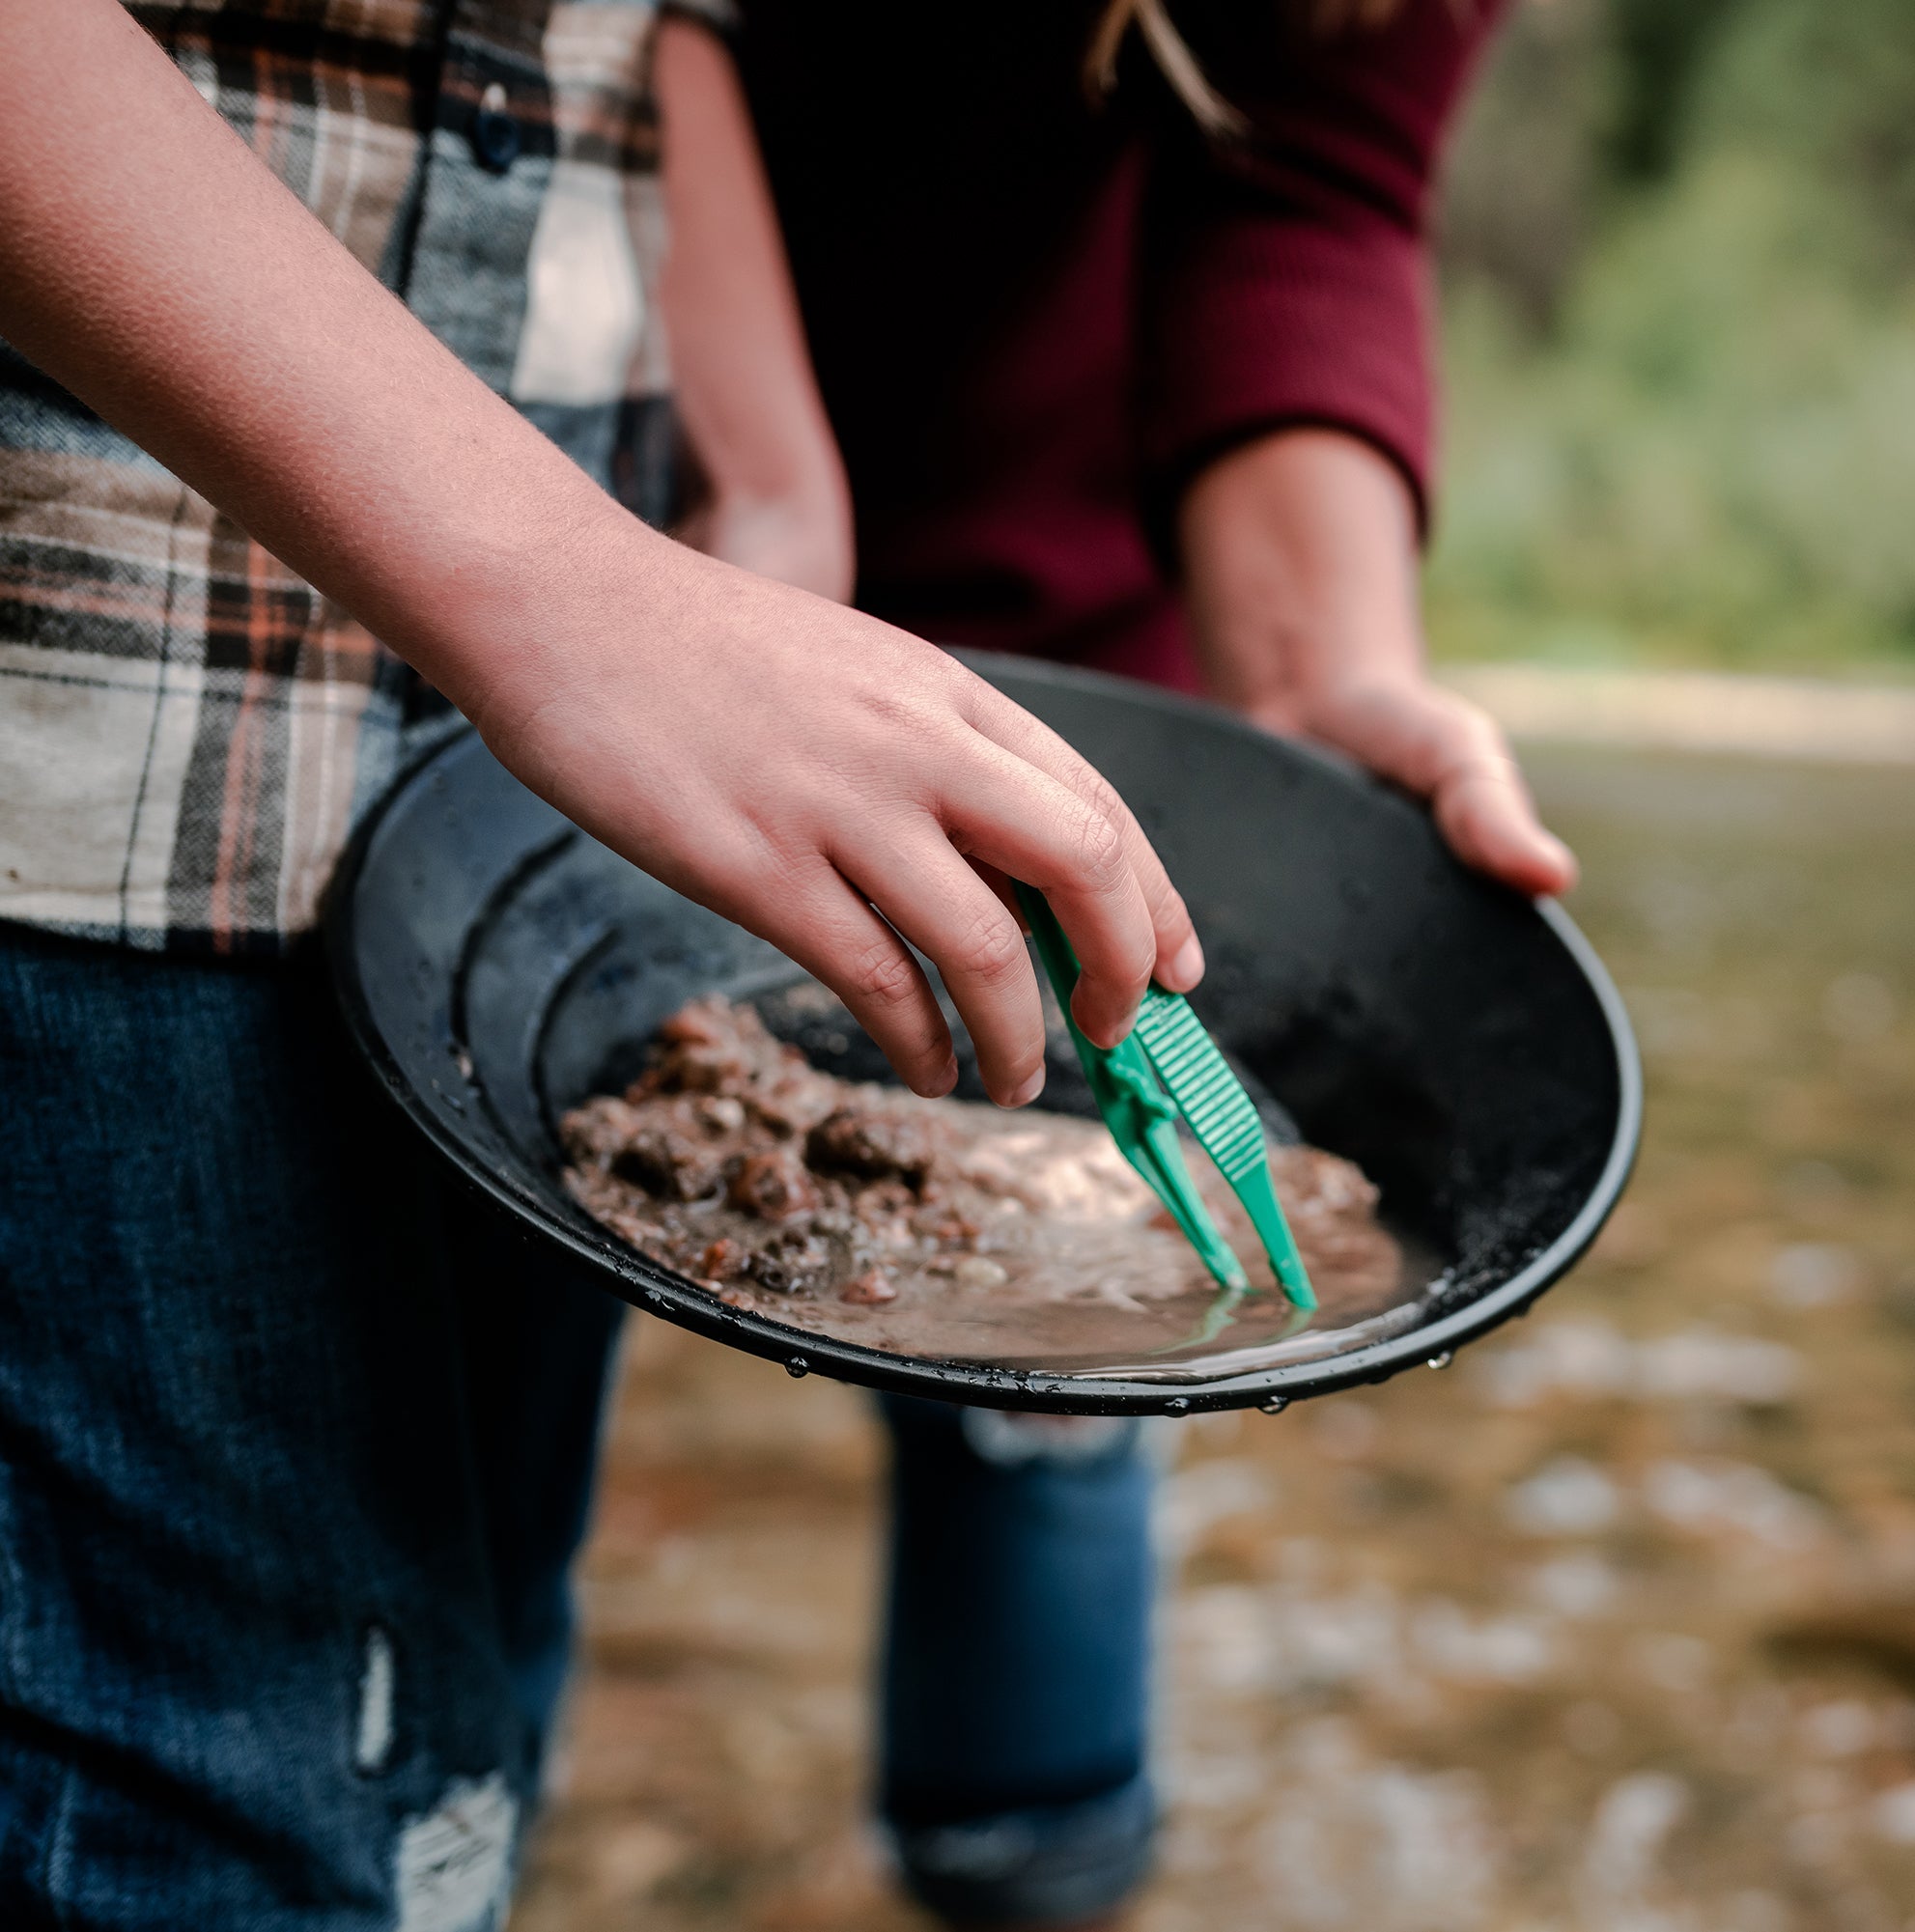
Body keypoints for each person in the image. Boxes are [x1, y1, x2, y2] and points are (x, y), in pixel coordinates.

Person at [0, 0, 1190, 1925]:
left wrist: (767, 471)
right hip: (106, 736)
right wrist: (567, 589)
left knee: (459, 1766)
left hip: (555, 826)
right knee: (252, 1843)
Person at [702, 2, 1568, 1923]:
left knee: (1061, 1354)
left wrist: (1316, 675)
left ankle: (1032, 1865)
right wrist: (731, 555)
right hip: (599, 556)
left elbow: (1307, 179)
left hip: (1067, 669)